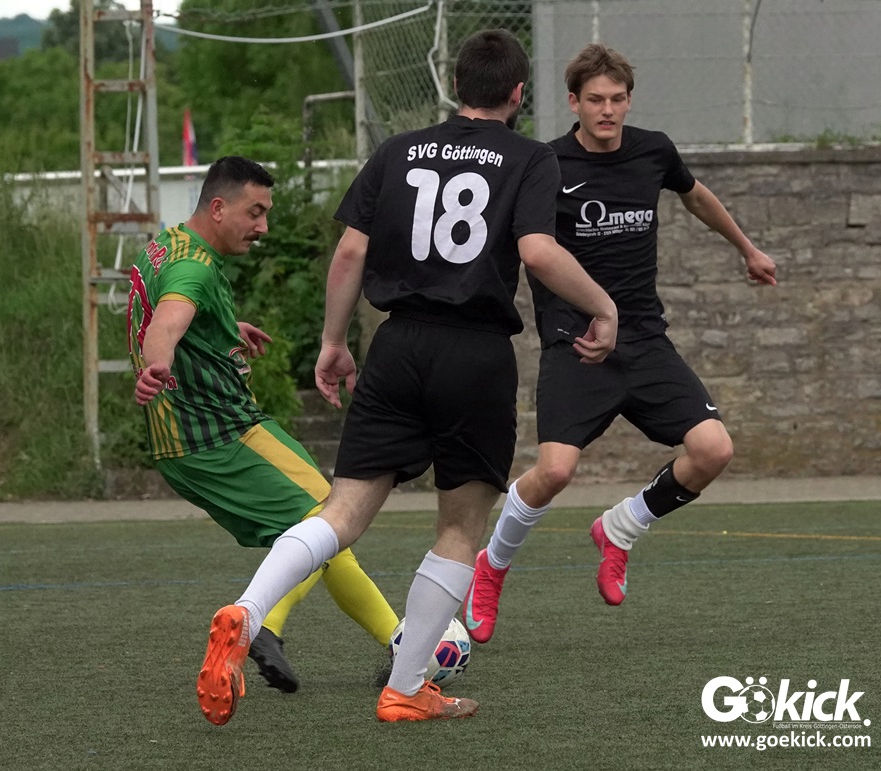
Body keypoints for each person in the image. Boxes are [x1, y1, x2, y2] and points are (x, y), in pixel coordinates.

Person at [194, 29, 618, 726]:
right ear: (518, 93)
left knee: (341, 512)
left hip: (397, 345)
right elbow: (539, 252)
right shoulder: (530, 157)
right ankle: (405, 687)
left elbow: (350, 252)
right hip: (475, 353)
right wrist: (603, 306)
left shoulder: (398, 150)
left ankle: (248, 609)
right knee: (461, 526)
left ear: (457, 87)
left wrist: (334, 342)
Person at [463, 43, 778, 643]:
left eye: (616, 99)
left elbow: (695, 195)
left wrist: (747, 248)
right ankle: (492, 566)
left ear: (629, 100)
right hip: (576, 342)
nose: (606, 110)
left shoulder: (654, 150)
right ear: (573, 103)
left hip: (645, 339)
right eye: (595, 100)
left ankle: (621, 528)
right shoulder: (545, 163)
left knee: (713, 450)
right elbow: (515, 243)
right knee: (555, 471)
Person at [127, 155, 399, 696]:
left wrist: (223, 327)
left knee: (315, 529)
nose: (264, 226)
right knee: (329, 525)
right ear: (218, 207)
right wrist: (156, 364)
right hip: (222, 435)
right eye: (255, 212)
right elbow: (167, 323)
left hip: (189, 442)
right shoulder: (194, 268)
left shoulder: (167, 245)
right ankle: (403, 644)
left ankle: (268, 626)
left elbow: (173, 308)